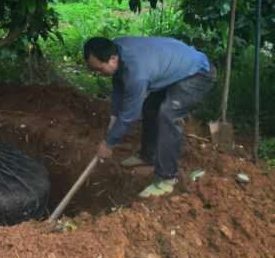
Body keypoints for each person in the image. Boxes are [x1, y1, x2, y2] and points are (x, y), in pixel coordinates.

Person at [83, 36, 216, 198]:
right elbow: (119, 87)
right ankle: (148, 155)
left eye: (100, 69)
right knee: (150, 107)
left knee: (167, 115)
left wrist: (109, 143)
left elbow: (129, 115)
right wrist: (113, 115)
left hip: (197, 72)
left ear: (112, 59)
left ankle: (167, 178)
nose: (99, 73)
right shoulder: (116, 48)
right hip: (174, 69)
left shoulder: (136, 73)